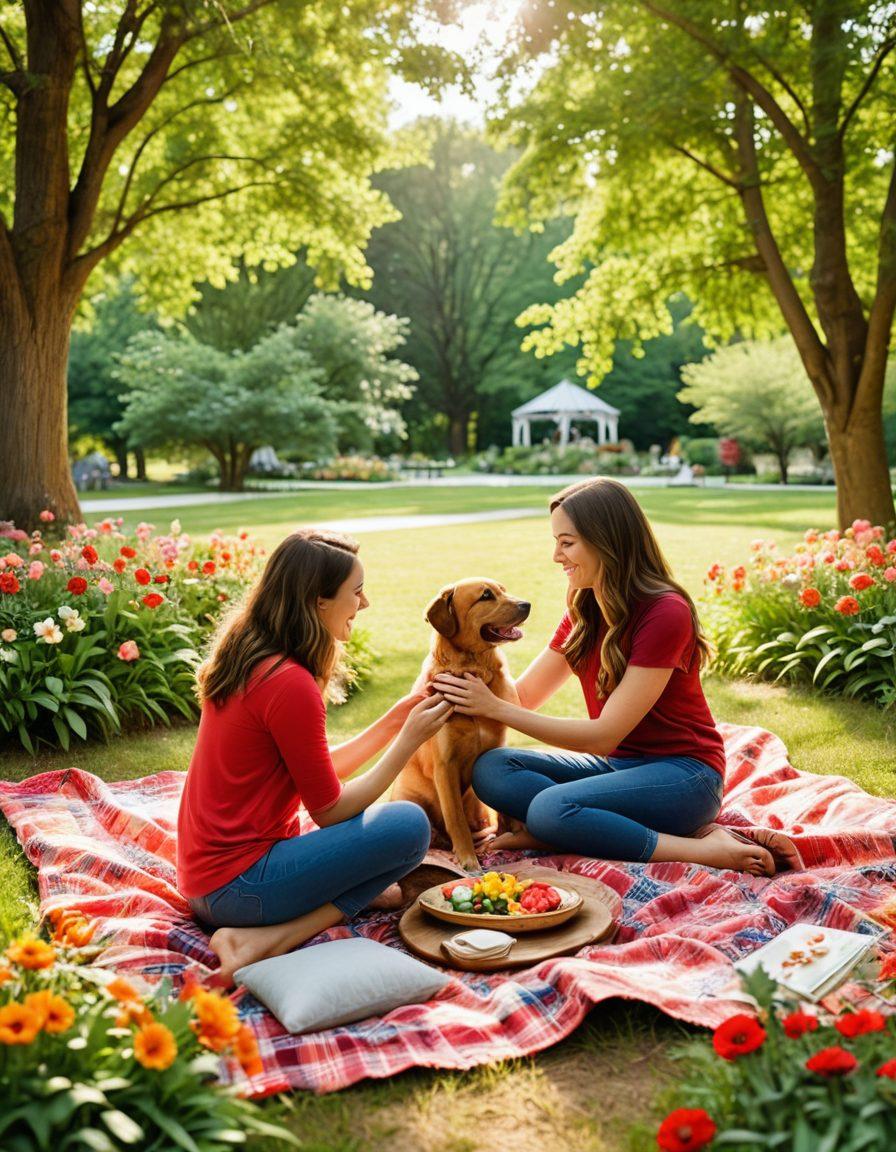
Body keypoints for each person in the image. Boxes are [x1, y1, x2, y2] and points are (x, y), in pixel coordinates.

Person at [435, 478, 793, 876]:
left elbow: (606, 734)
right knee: (494, 769)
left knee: (552, 807)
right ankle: (569, 827)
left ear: (604, 541)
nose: (556, 556)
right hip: (619, 769)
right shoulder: (583, 610)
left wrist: (493, 707)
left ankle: (703, 848)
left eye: (567, 542)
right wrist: (458, 671)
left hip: (685, 776)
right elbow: (523, 698)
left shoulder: (664, 611)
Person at [177, 528, 453, 984]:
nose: (364, 604)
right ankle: (266, 938)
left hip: (207, 881)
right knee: (407, 827)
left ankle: (313, 911)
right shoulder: (290, 683)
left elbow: (315, 775)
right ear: (318, 601)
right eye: (357, 592)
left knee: (384, 844)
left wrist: (391, 722)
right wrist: (407, 741)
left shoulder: (253, 652)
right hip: (238, 891)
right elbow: (328, 811)